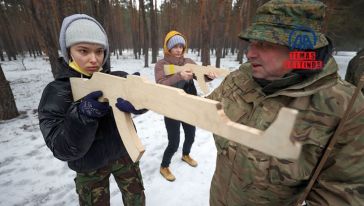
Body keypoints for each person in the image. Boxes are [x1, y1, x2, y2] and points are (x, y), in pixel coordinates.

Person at [206, 0, 364, 205]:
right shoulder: (242, 77)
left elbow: (343, 193)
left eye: (264, 44)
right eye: (252, 42)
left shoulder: (346, 107)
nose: (250, 53)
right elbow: (204, 109)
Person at [38, 14, 146, 206]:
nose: (94, 59)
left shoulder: (116, 78)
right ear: (69, 51)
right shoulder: (56, 92)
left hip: (124, 155)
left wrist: (141, 99)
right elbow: (61, 148)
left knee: (136, 199)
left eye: (99, 51)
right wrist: (82, 114)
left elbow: (148, 98)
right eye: (84, 51)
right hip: (88, 166)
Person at [154, 31, 216, 181]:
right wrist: (179, 76)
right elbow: (160, 84)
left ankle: (186, 154)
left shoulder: (187, 61)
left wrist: (209, 75)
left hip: (188, 105)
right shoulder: (161, 64)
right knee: (174, 142)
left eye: (181, 46)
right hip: (171, 106)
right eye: (175, 46)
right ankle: (164, 166)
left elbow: (200, 75)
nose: (178, 49)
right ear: (168, 48)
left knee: (191, 135)